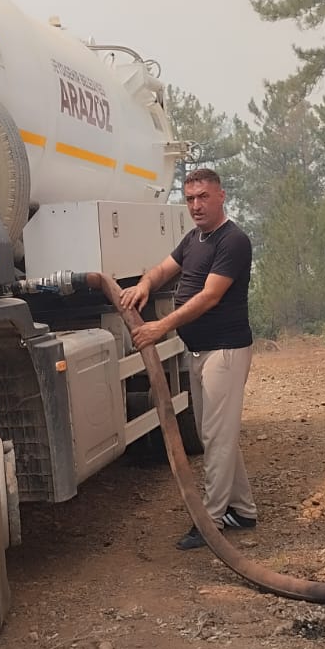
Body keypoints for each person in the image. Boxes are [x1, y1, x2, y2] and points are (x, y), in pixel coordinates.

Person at [120, 168, 257, 550]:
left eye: (203, 197)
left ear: (221, 197)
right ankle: (242, 511)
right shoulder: (194, 238)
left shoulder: (233, 241)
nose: (196, 205)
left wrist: (160, 327)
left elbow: (210, 296)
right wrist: (144, 284)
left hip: (224, 352)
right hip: (200, 351)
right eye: (190, 198)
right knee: (219, 434)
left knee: (216, 437)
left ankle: (210, 521)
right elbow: (164, 269)